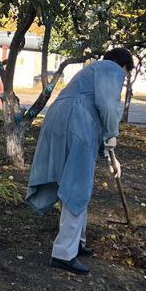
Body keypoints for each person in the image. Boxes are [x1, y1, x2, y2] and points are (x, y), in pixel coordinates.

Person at [26, 47, 133, 276]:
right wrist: (112, 138)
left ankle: (78, 242)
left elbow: (97, 107)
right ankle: (64, 253)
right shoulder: (112, 69)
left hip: (57, 119)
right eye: (126, 74)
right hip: (78, 123)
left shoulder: (91, 70)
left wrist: (111, 156)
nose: (123, 79)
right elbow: (108, 107)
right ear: (124, 66)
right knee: (77, 186)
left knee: (74, 182)